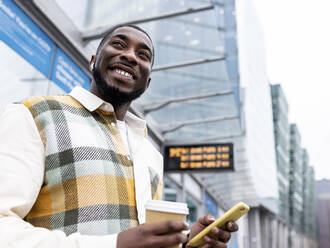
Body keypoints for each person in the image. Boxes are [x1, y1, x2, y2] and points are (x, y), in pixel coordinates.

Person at [0, 24, 238, 248]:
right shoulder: (35, 115)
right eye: (119, 45)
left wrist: (184, 243)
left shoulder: (151, 154)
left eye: (143, 56)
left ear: (147, 82)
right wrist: (112, 244)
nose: (131, 56)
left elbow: (141, 239)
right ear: (93, 61)